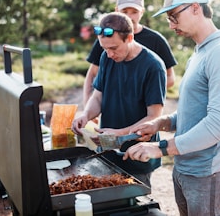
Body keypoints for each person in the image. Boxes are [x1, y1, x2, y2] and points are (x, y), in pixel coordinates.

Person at [123, 0, 220, 215]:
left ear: (195, 8)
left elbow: (219, 123)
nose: (171, 25)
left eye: (173, 16)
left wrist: (161, 148)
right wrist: (162, 123)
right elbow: (195, 111)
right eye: (168, 18)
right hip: (187, 167)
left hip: (208, 172)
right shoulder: (201, 51)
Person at [72, 12, 167, 187]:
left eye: (114, 48)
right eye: (104, 48)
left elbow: (153, 117)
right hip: (107, 152)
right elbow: (98, 96)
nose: (108, 54)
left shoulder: (153, 66)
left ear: (129, 38)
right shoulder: (106, 58)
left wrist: (119, 133)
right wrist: (85, 115)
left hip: (137, 156)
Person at [83, 0, 177, 106]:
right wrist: (87, 105)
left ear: (142, 12)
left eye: (134, 12)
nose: (129, 16)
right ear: (116, 10)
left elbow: (171, 78)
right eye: (125, 11)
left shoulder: (156, 40)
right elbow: (92, 74)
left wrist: (143, 89)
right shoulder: (106, 37)